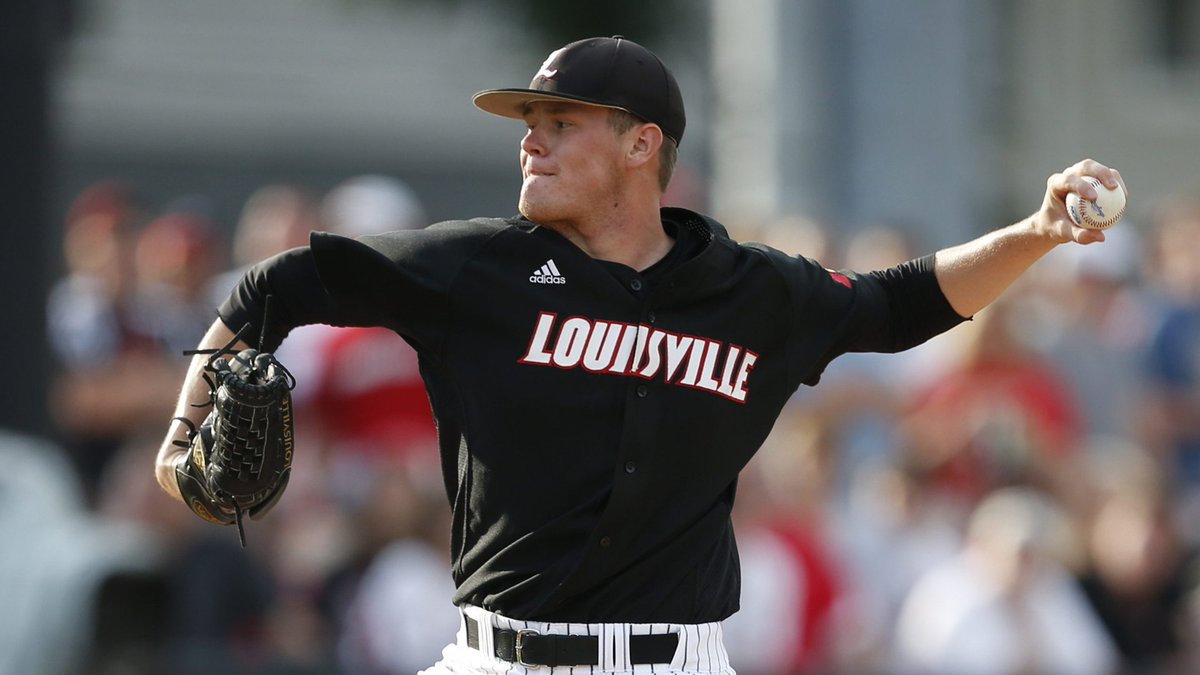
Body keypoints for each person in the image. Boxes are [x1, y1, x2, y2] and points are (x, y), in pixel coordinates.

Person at [154, 35, 1128, 674]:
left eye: (560, 123)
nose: (531, 143)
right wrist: (186, 429)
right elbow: (274, 285)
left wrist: (1039, 231)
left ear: (640, 145)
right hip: (498, 658)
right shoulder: (474, 268)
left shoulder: (753, 292)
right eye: (528, 125)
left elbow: (903, 303)